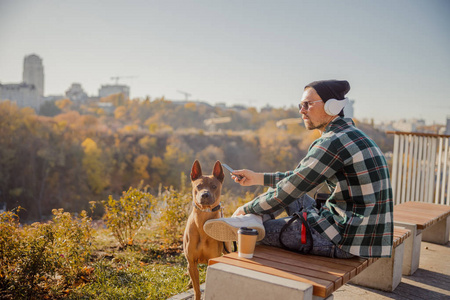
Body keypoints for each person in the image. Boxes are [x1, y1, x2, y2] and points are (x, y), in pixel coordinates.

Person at [204, 79, 393, 258]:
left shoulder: (331, 143)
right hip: (363, 233)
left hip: (344, 239)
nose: (302, 111)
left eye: (307, 104)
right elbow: (299, 178)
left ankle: (248, 222)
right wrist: (258, 178)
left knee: (251, 235)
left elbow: (289, 189)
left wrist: (247, 208)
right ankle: (252, 220)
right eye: (300, 105)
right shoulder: (353, 135)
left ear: (332, 106)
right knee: (286, 191)